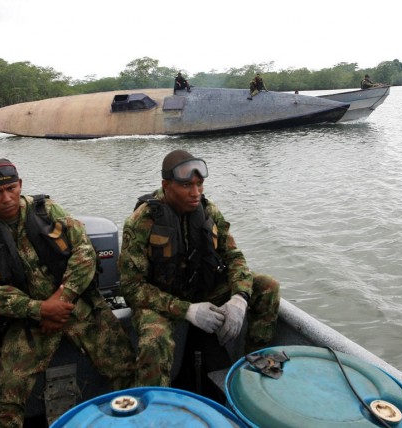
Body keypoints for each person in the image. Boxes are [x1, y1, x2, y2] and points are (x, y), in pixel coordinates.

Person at [0, 159, 135, 427]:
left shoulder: (48, 212)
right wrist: (40, 310)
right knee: (6, 397)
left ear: (20, 185)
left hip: (78, 306)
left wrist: (62, 299)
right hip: (30, 323)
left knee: (126, 370)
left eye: (11, 188)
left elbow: (85, 251)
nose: (6, 198)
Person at [118, 149, 280, 393]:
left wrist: (239, 297)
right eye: (186, 185)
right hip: (164, 301)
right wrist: (187, 310)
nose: (196, 193)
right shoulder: (142, 221)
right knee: (155, 338)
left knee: (267, 286)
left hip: (205, 289)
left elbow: (234, 257)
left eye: (199, 184)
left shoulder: (208, 211)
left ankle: (252, 374)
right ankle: (155, 404)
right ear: (166, 185)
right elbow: (131, 287)